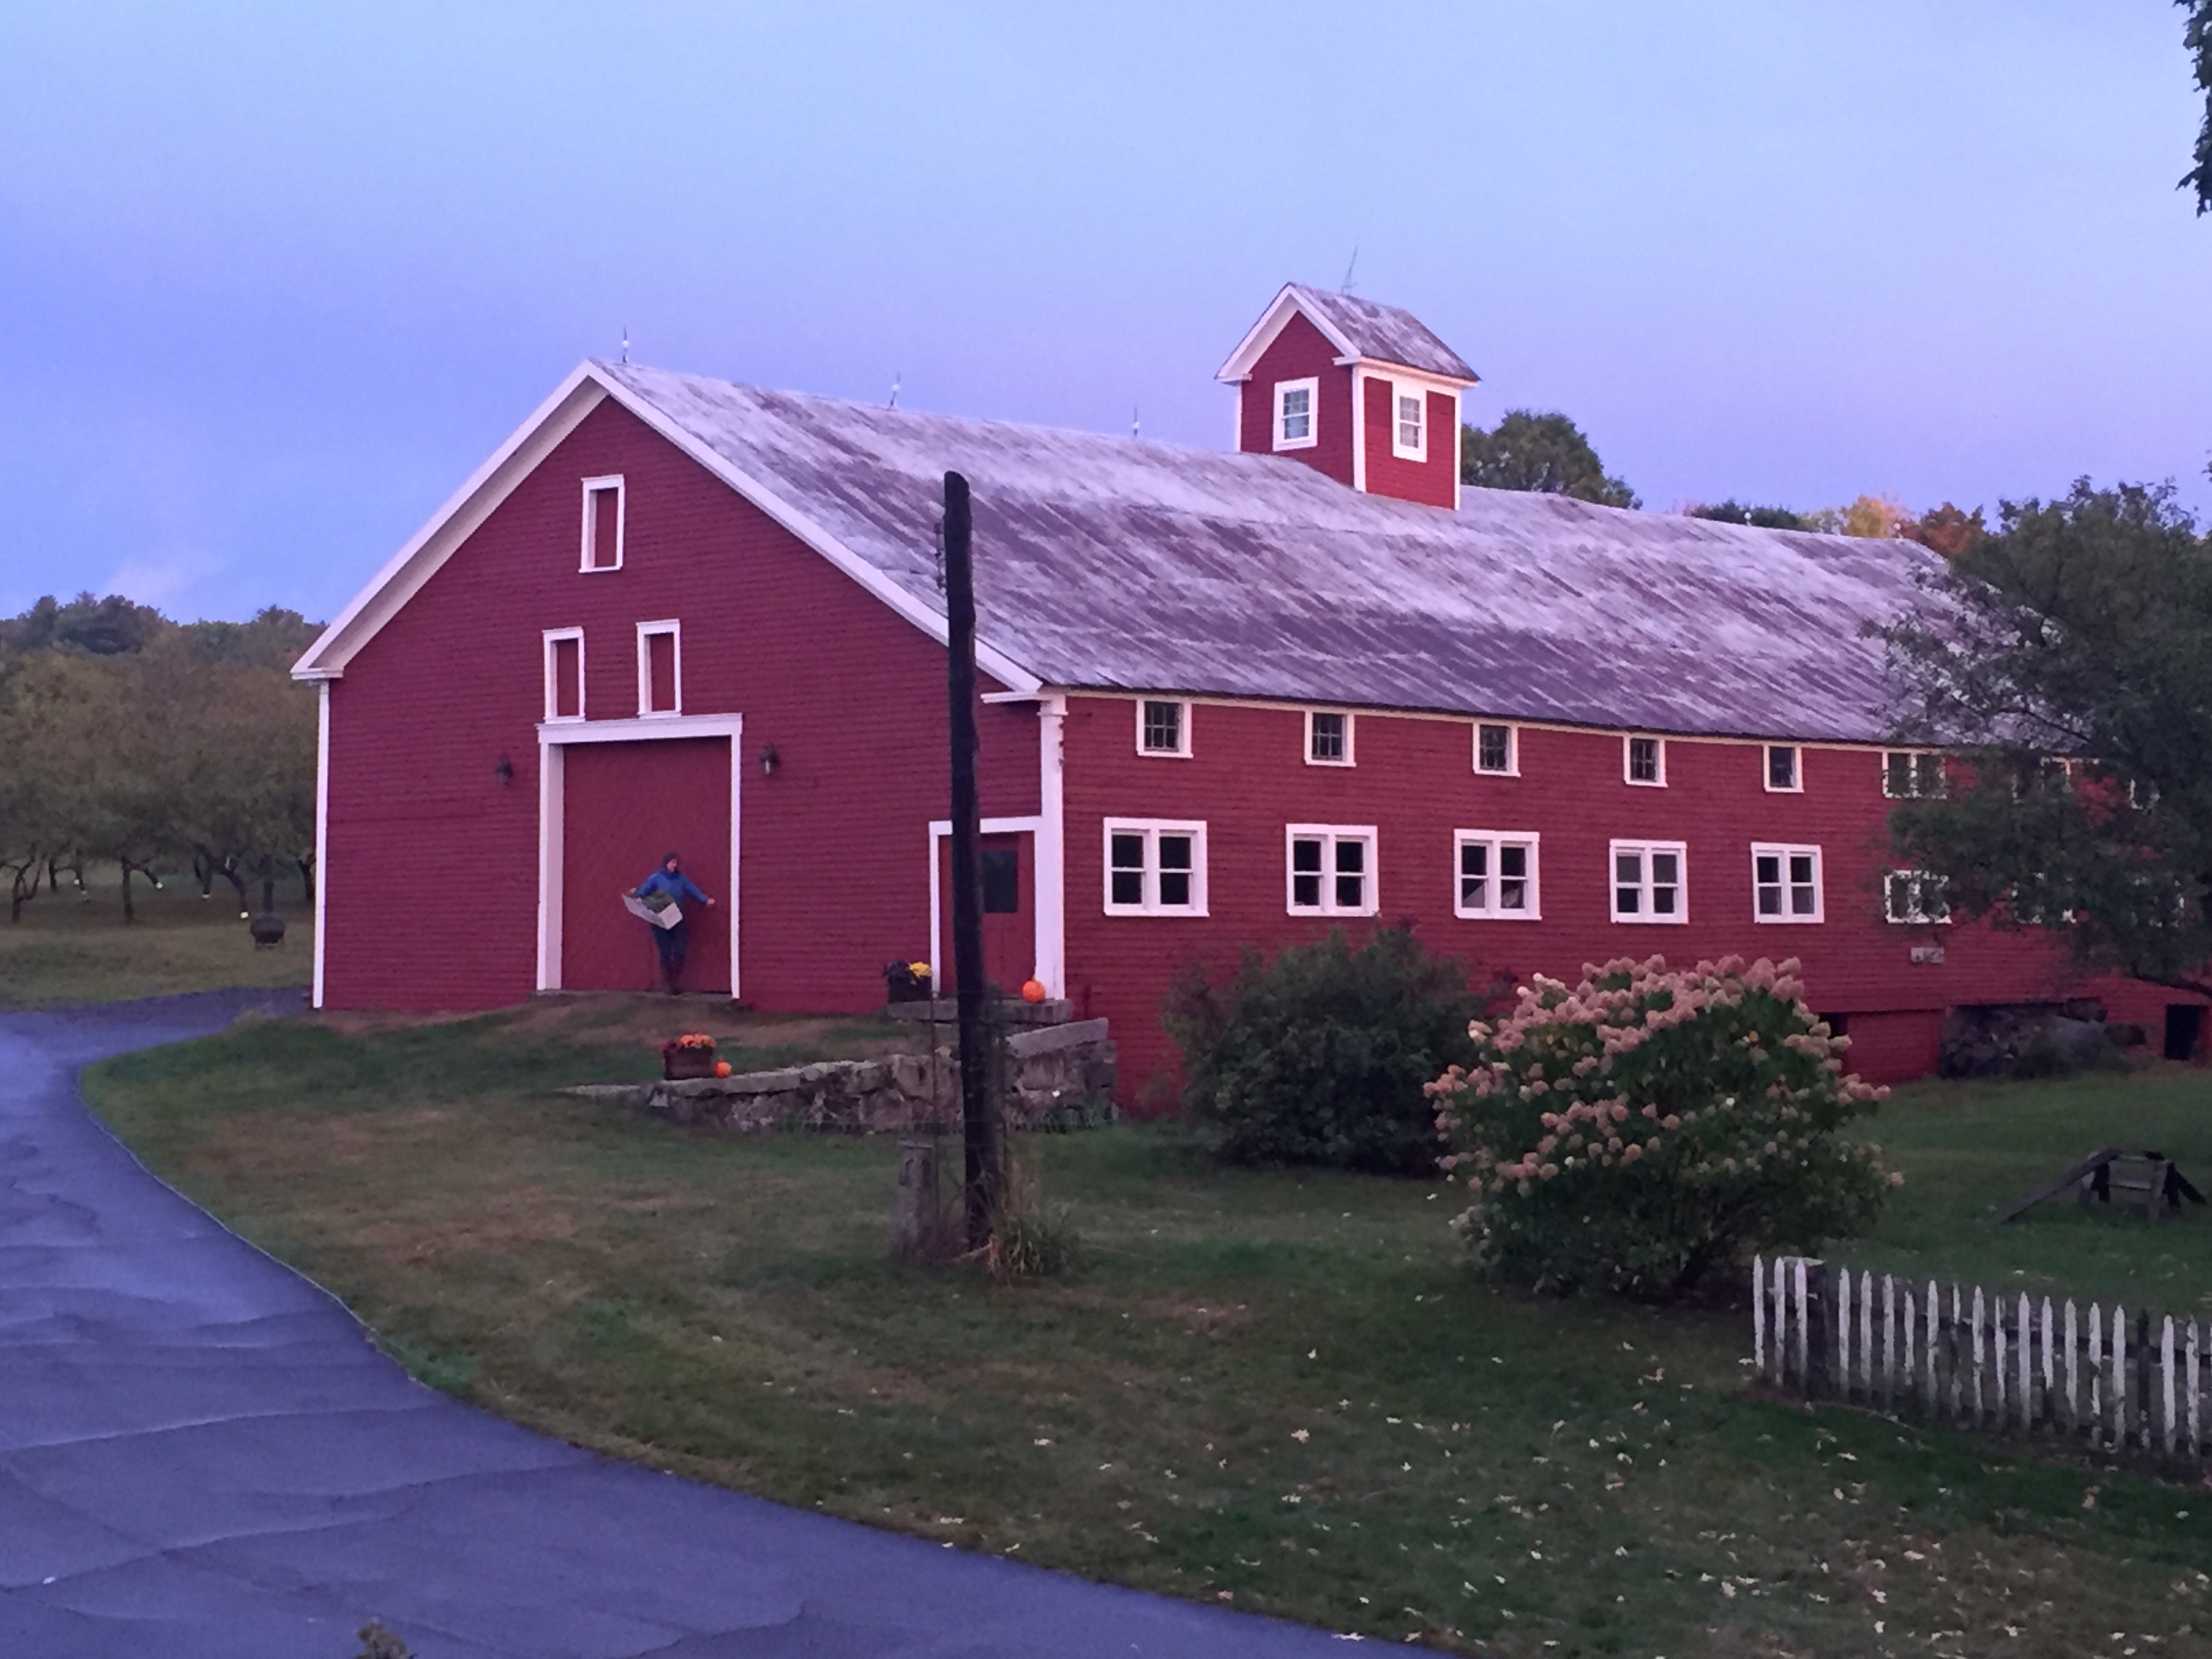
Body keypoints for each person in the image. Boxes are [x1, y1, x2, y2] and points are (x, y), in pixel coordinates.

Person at [633, 853, 714, 994]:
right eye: (671, 863)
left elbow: (692, 889)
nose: (673, 866)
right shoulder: (656, 878)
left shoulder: (680, 879)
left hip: (677, 915)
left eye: (675, 863)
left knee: (680, 948)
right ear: (665, 864)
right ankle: (668, 984)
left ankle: (675, 982)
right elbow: (643, 891)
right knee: (665, 950)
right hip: (660, 917)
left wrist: (705, 899)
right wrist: (638, 896)